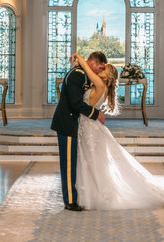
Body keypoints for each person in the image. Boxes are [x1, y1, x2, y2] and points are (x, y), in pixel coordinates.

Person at [73, 53, 164, 210]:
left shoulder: (101, 86)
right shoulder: (101, 87)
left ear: (108, 75)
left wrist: (79, 58)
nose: (101, 69)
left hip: (90, 128)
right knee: (93, 162)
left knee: (94, 162)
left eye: (104, 68)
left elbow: (88, 71)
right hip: (89, 127)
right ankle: (88, 193)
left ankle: (94, 194)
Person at [51, 51, 107, 211]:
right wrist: (96, 114)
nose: (99, 71)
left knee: (72, 162)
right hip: (67, 123)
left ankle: (72, 197)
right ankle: (70, 201)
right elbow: (76, 103)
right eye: (99, 67)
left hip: (71, 122)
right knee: (68, 164)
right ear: (93, 63)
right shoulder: (77, 75)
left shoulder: (82, 74)